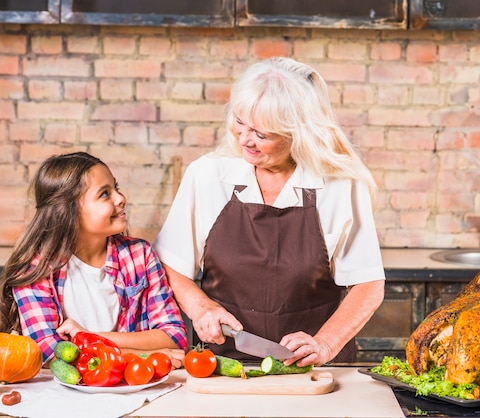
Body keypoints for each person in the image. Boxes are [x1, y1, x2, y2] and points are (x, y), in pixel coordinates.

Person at [154, 57, 385, 367]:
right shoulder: (207, 175)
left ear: (298, 134)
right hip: (223, 365)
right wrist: (201, 308)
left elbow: (368, 284)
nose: (244, 139)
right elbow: (170, 263)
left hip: (314, 367)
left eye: (262, 134)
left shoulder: (340, 185)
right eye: (239, 122)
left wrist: (325, 344)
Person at [0, 152, 187, 366]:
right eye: (105, 194)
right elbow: (50, 353)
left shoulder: (140, 255)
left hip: (138, 388)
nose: (120, 198)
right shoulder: (35, 269)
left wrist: (85, 337)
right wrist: (139, 355)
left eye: (115, 187)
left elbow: (174, 337)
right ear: (68, 212)